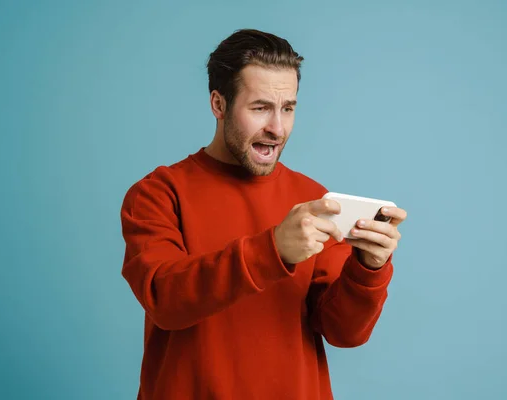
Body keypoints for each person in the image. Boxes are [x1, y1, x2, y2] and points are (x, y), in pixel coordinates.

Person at [120, 28, 407, 400]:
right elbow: (166, 302)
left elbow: (344, 333)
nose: (277, 128)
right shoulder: (158, 193)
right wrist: (272, 250)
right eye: (260, 108)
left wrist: (368, 269)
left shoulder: (313, 200)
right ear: (218, 104)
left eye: (288, 108)